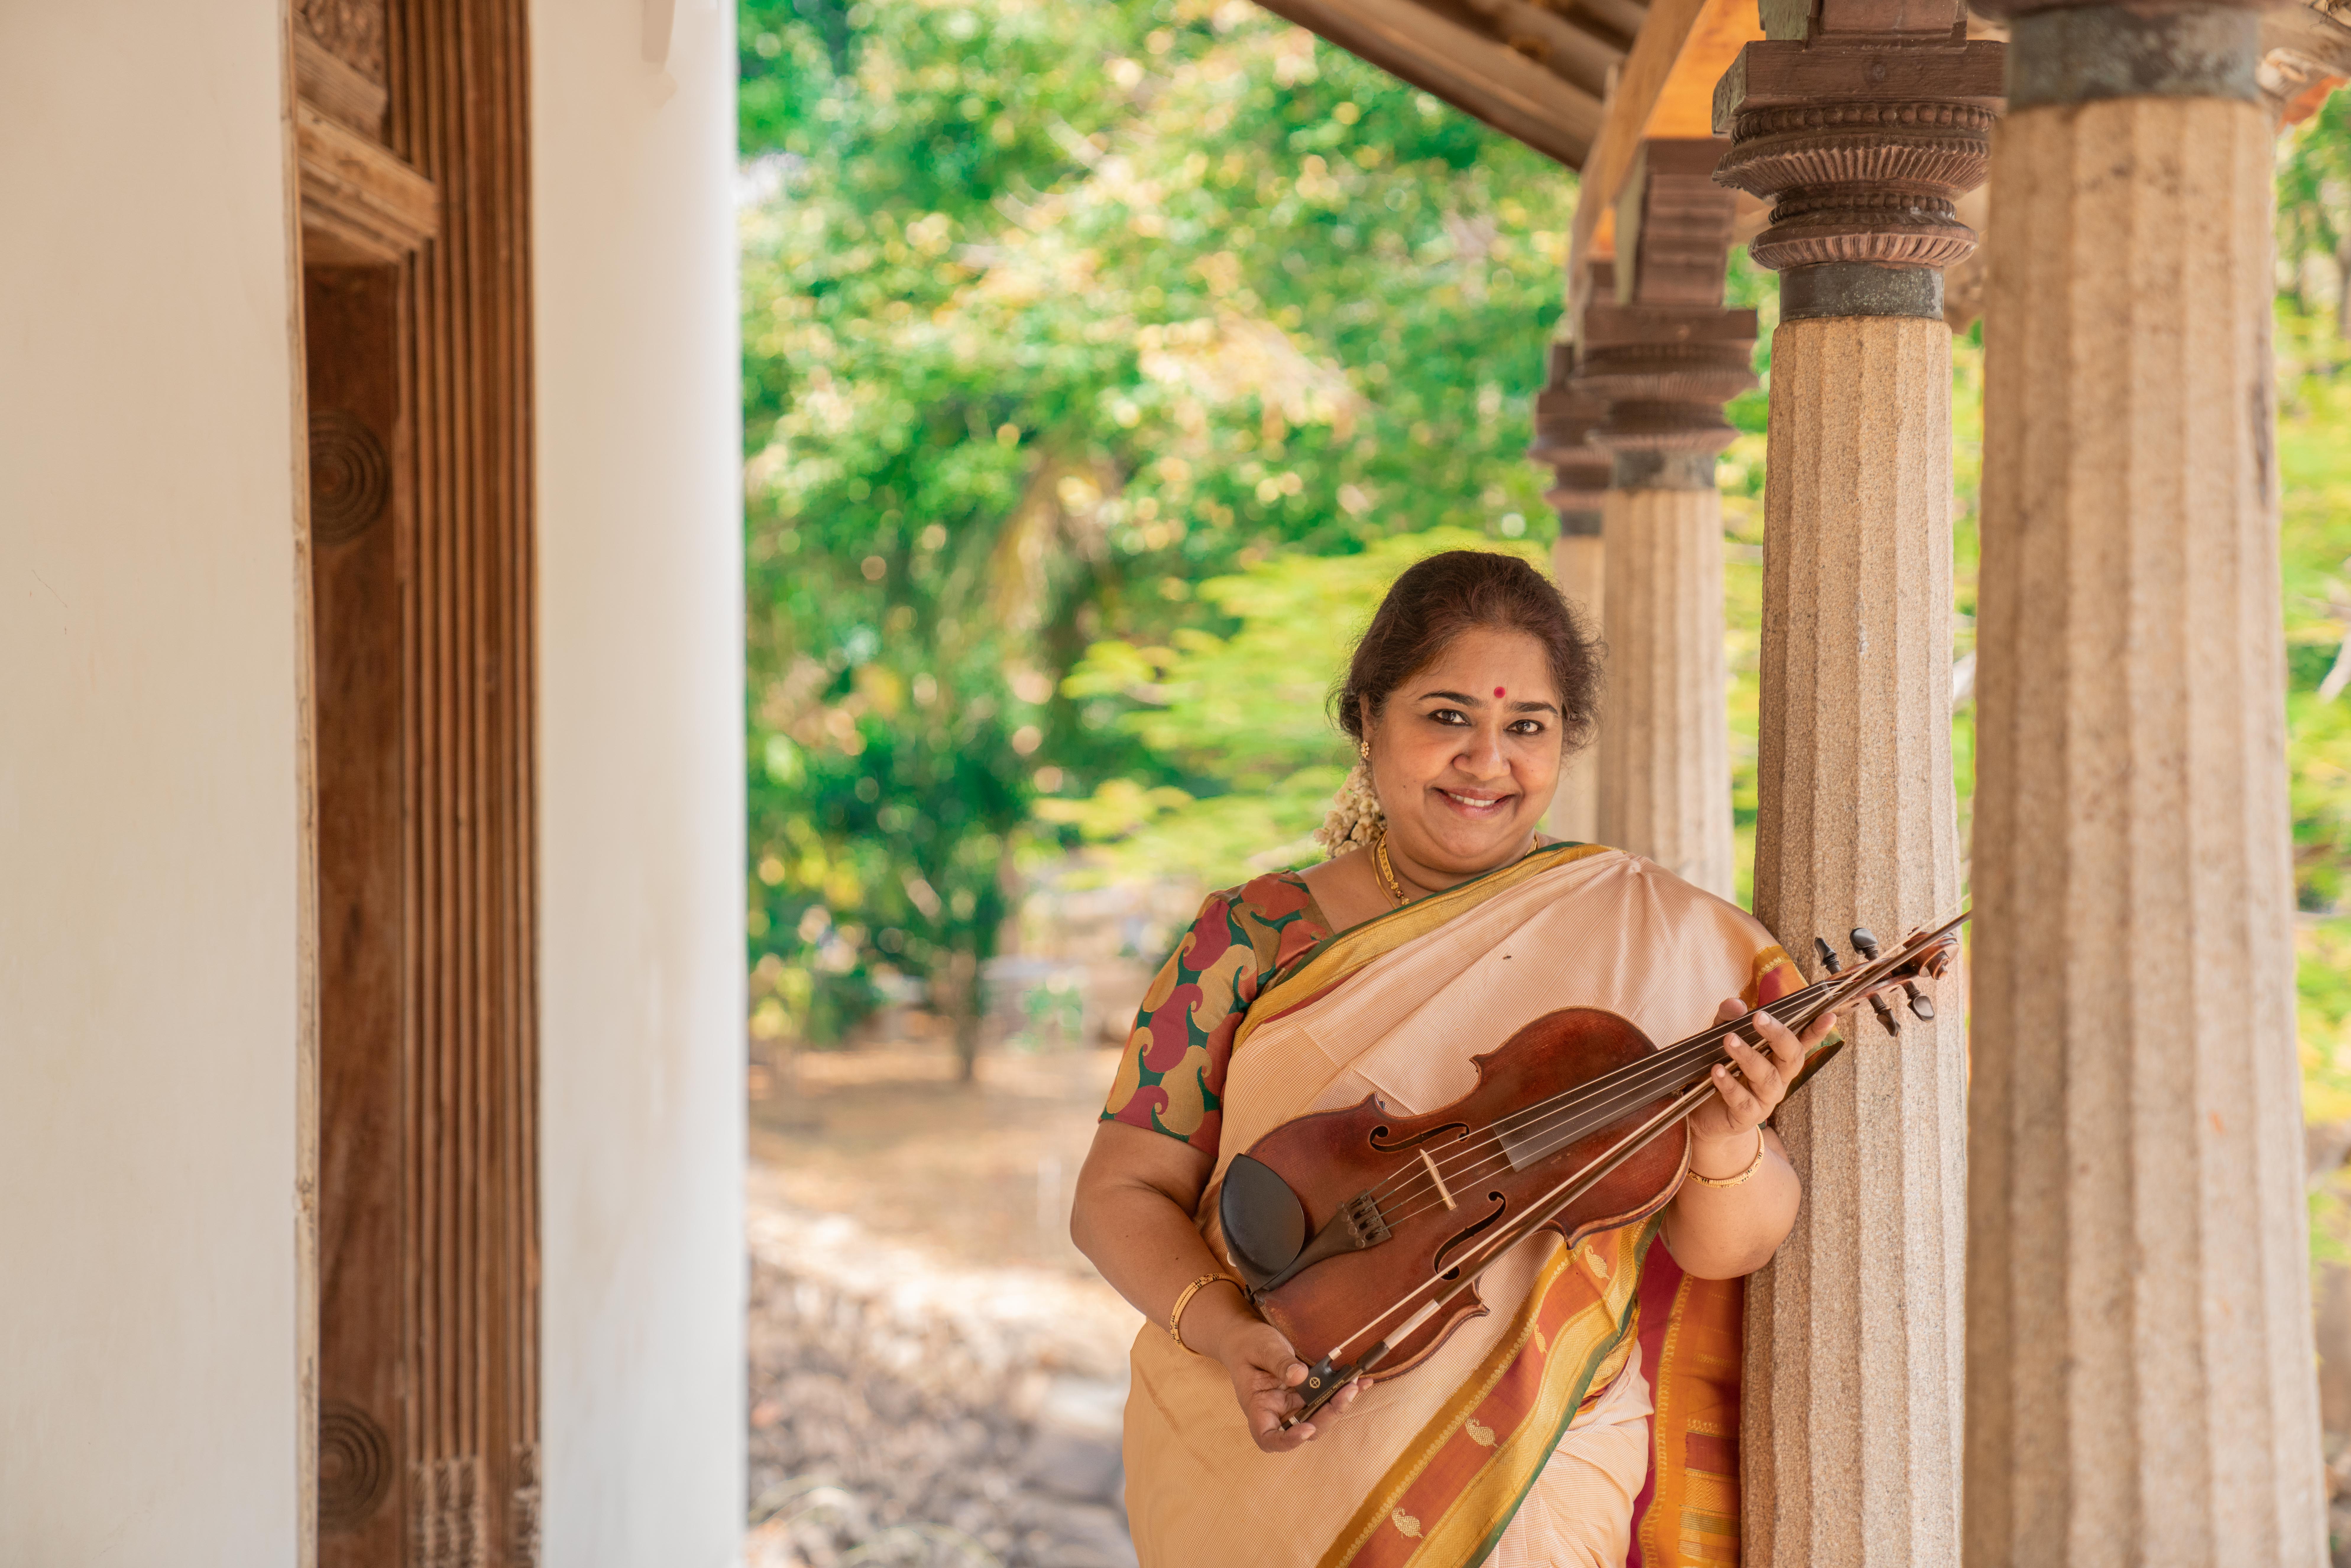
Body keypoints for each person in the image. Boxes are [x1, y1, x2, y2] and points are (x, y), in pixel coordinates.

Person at [1068, 549, 1829, 1567]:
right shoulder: (1251, 938)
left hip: (1534, 1469)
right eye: (1446, 716)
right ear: (1368, 721)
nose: (1486, 761)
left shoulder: (1659, 941)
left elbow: (1725, 1249)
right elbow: (1119, 1191)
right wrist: (1227, 1335)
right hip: (1258, 1446)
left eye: (1527, 728)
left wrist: (1729, 1135)